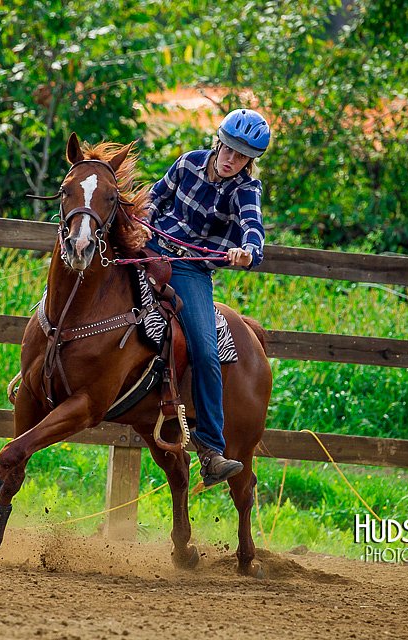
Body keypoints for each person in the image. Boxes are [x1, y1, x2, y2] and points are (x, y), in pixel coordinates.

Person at [145, 108, 270, 486]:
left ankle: (212, 450)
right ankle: (40, 369)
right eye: (228, 149)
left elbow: (253, 226)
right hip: (149, 247)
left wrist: (247, 251)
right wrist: (144, 220)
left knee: (206, 350)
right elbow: (154, 197)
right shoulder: (187, 163)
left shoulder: (245, 190)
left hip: (189, 270)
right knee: (86, 276)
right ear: (218, 142)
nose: (232, 159)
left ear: (251, 160)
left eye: (242, 155)